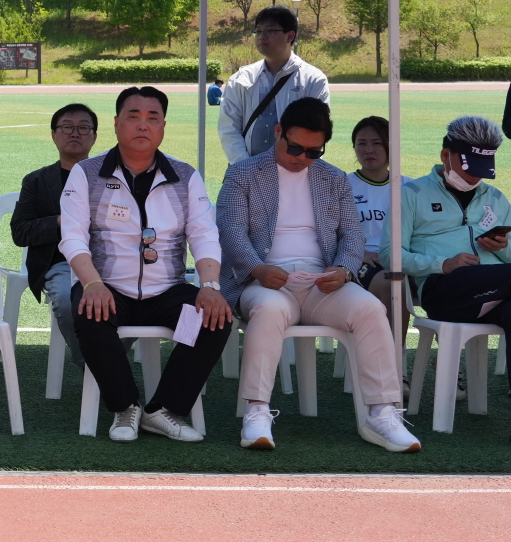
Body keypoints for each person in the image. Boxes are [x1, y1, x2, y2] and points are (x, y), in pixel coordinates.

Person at [217, 97, 420, 453]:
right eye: (296, 147)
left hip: (320, 281)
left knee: (371, 309)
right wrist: (258, 269)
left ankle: (382, 413)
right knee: (269, 310)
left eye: (314, 151)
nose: (303, 157)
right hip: (262, 280)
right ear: (279, 132)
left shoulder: (333, 177)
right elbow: (230, 231)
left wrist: (343, 270)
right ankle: (257, 411)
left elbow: (352, 236)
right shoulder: (243, 173)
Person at [60, 85, 231, 443]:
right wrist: (92, 284)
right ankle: (125, 407)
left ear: (163, 127)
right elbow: (72, 236)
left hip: (166, 291)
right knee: (90, 315)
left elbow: (204, 235)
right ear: (117, 124)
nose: (143, 125)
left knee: (211, 321)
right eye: (133, 117)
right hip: (109, 288)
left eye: (152, 117)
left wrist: (210, 288)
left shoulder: (186, 176)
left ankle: (163, 409)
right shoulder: (86, 173)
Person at [398, 116, 511, 368]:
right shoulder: (411, 194)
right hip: (443, 289)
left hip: (494, 291)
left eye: (481, 171)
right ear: (444, 155)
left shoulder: (497, 198)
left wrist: (503, 247)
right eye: (469, 169)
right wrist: (443, 264)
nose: (474, 178)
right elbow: (390, 255)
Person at [10, 103, 99, 364]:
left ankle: (104, 362)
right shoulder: (36, 181)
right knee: (64, 300)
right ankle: (94, 367)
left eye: (83, 128)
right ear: (53, 134)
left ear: (94, 136)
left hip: (110, 261)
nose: (75, 133)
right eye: (67, 127)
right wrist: (61, 221)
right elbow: (20, 232)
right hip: (61, 263)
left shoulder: (111, 177)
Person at [218, 5, 330, 163]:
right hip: (248, 172)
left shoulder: (312, 79)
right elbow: (228, 128)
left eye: (270, 31)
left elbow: (317, 130)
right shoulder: (241, 78)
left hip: (294, 171)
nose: (262, 36)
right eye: (258, 31)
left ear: (290, 36)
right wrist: (245, 168)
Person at [347, 115, 409, 329]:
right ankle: (392, 358)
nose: (368, 150)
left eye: (377, 143)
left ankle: (446, 352)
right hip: (365, 264)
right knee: (393, 283)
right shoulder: (344, 186)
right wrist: (359, 254)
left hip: (408, 262)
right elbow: (328, 233)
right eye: (361, 144)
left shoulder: (409, 187)